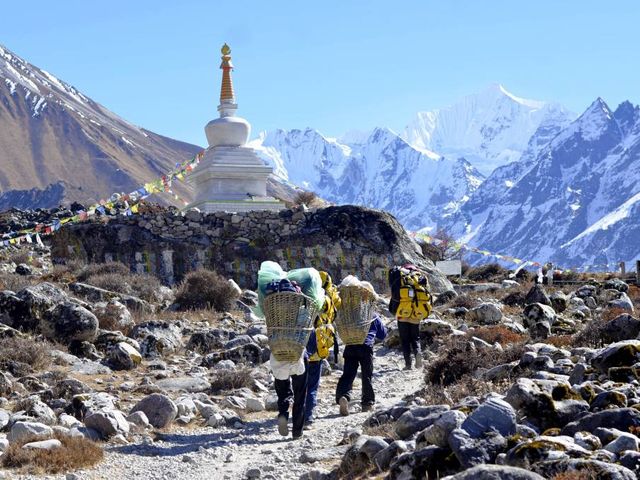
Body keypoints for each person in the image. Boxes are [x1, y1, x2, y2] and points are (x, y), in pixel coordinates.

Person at [303, 271, 340, 429]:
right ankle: (308, 418)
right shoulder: (327, 299)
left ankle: (298, 415)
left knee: (300, 385)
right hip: (318, 348)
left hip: (301, 348)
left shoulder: (303, 298)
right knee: (312, 386)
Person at [335, 313, 387, 416]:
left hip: (350, 346)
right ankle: (367, 404)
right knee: (366, 375)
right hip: (366, 347)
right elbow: (382, 335)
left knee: (348, 374)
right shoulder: (373, 315)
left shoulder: (349, 313)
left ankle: (343, 396)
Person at [273, 350, 308, 440]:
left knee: (283, 393)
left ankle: (283, 415)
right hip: (298, 359)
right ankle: (297, 432)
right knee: (300, 396)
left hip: (278, 359)